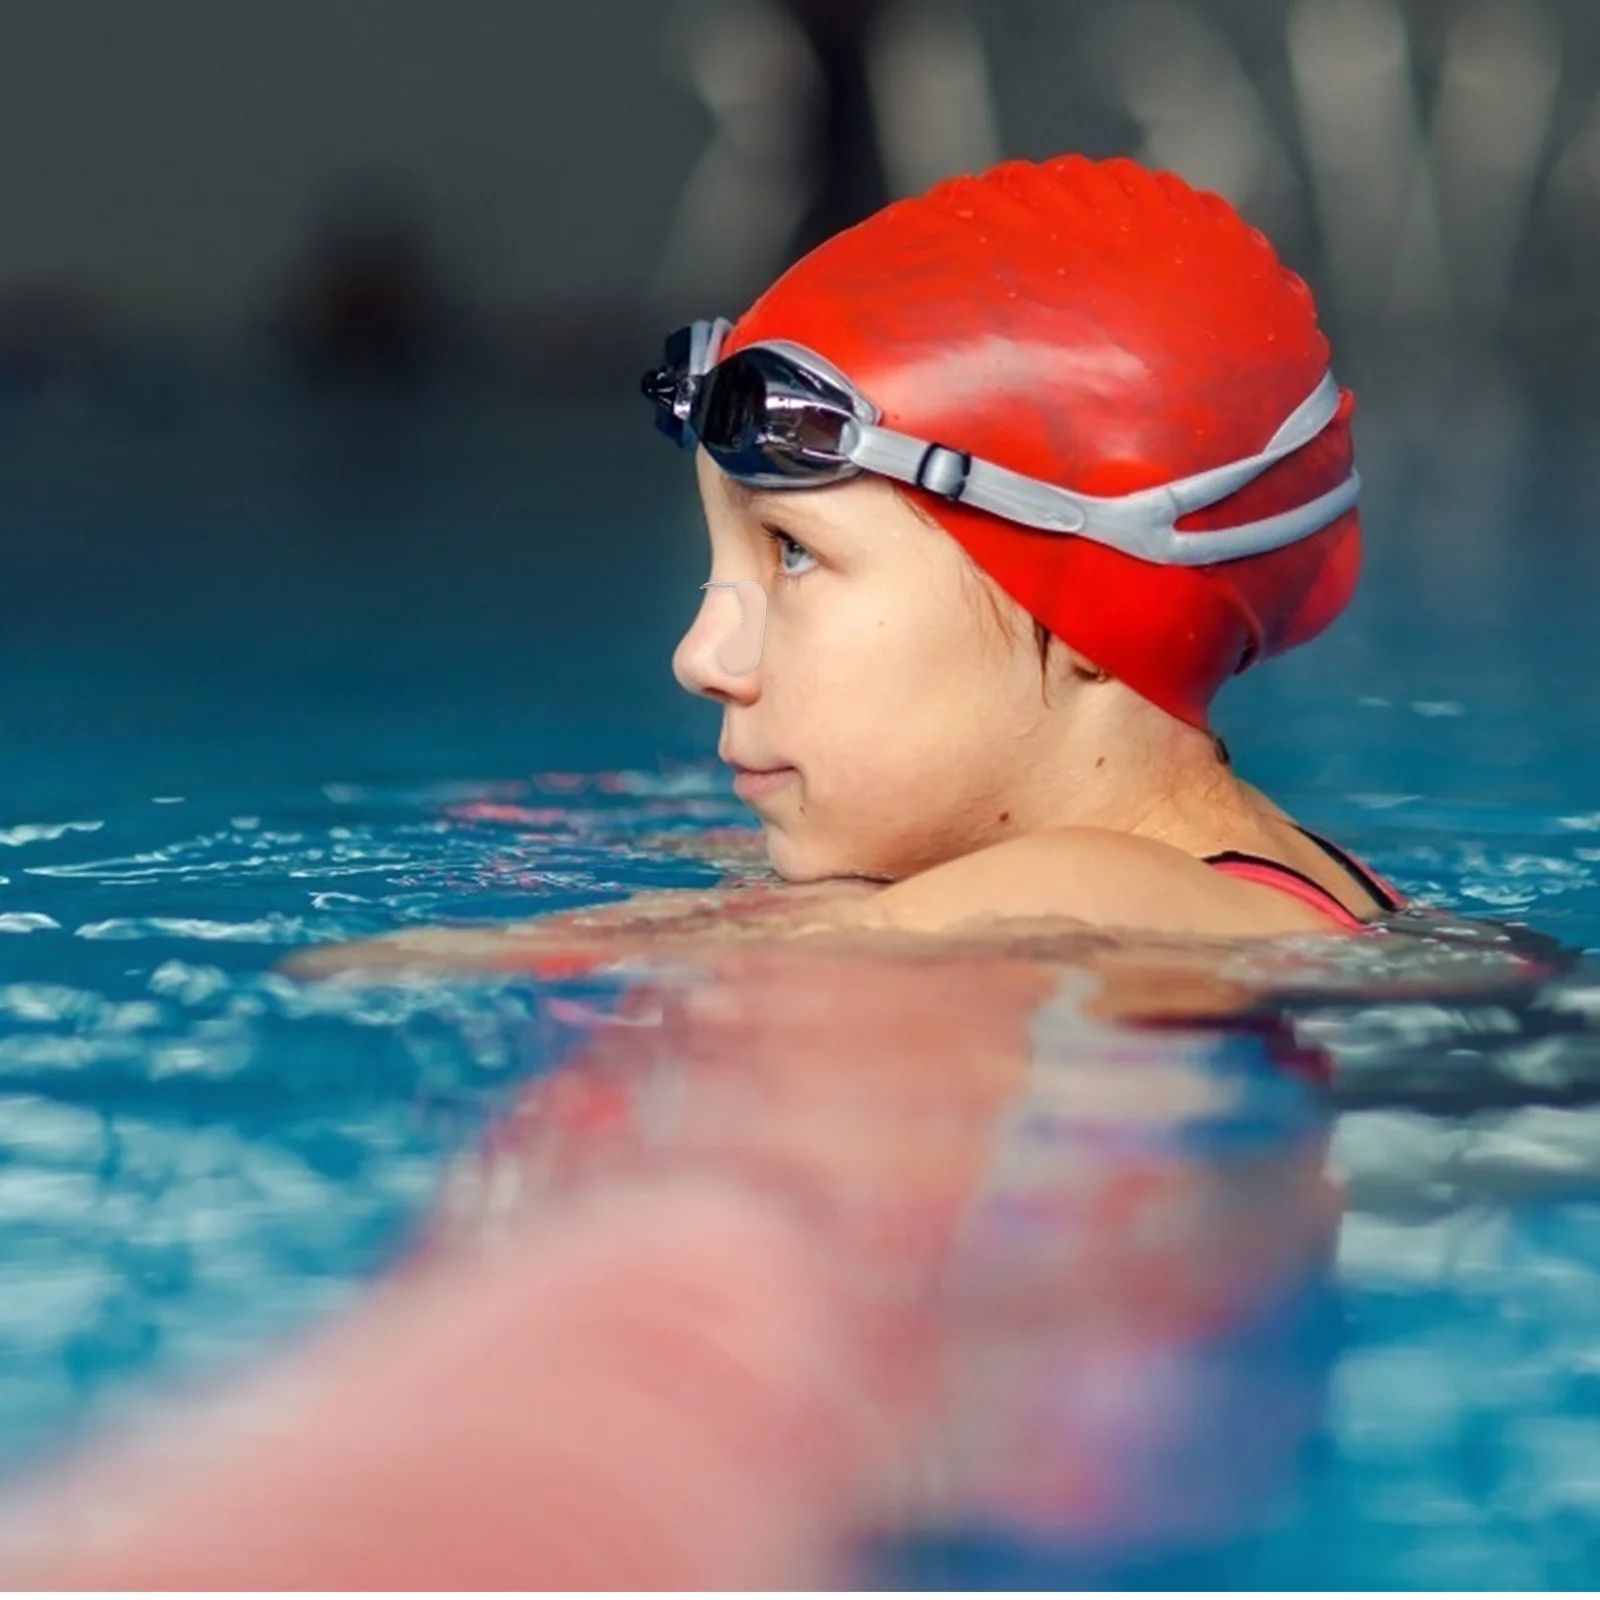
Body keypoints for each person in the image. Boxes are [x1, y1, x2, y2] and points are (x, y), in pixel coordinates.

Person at [289, 152, 1405, 983]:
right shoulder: (1277, 884)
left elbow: (681, 959)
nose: (701, 657)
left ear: (1084, 618)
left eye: (794, 553)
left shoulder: (1097, 892)